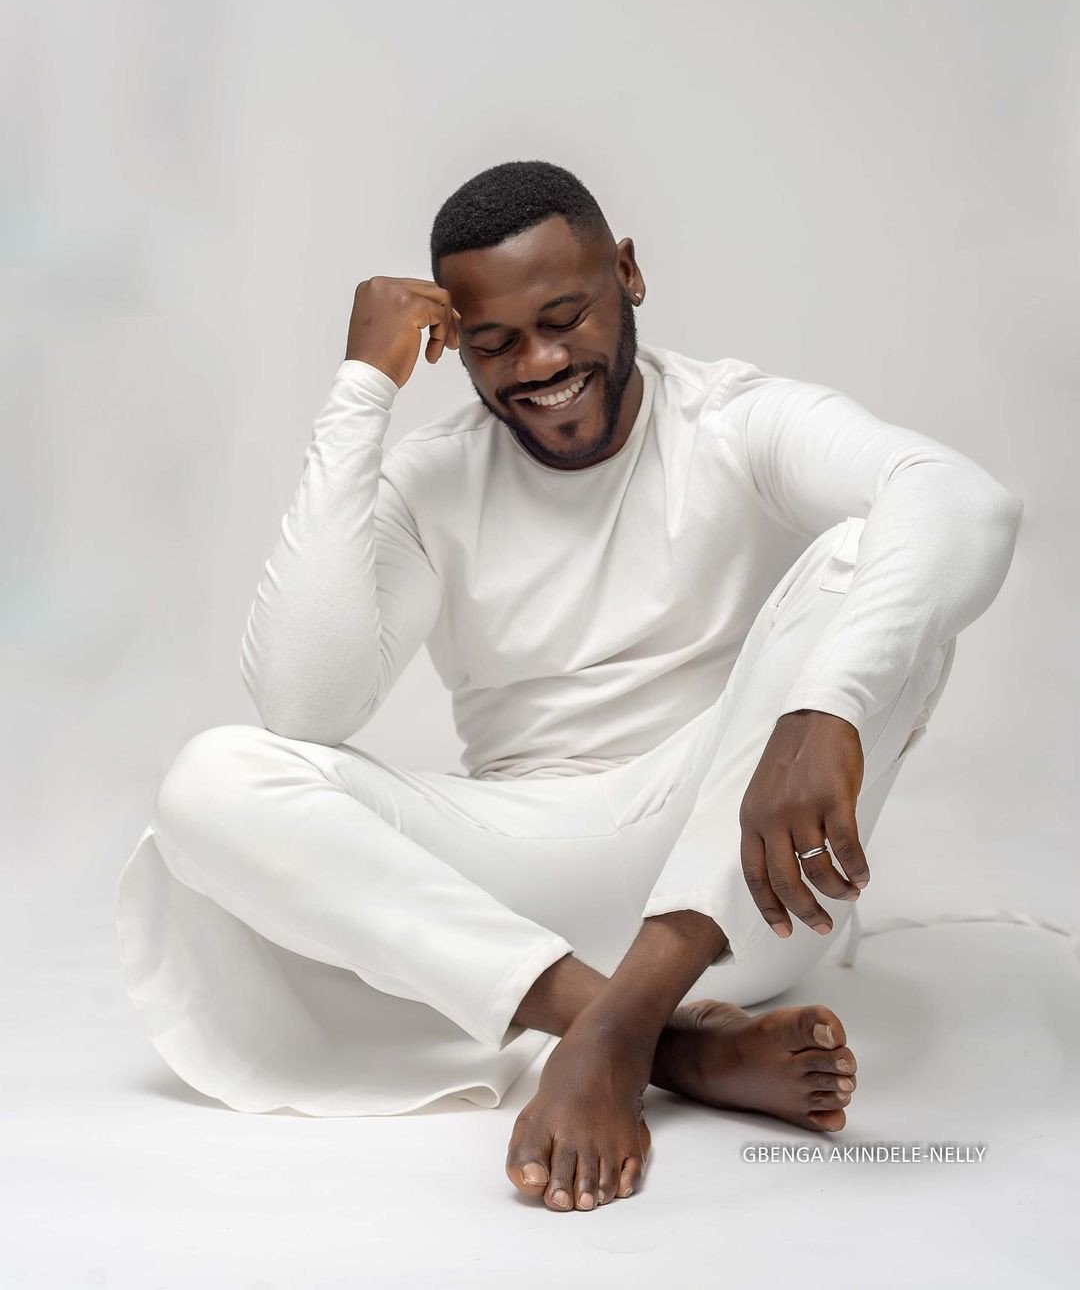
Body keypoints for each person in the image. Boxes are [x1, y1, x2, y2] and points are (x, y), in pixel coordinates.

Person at [115, 160, 1023, 1214]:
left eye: (565, 318)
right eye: (496, 342)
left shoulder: (734, 421)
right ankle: (653, 1042)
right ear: (455, 342)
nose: (541, 365)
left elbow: (964, 501)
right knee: (212, 779)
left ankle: (629, 1018)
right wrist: (362, 390)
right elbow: (302, 707)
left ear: (627, 274)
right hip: (518, 904)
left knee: (875, 554)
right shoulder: (437, 477)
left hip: (734, 884)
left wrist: (830, 708)